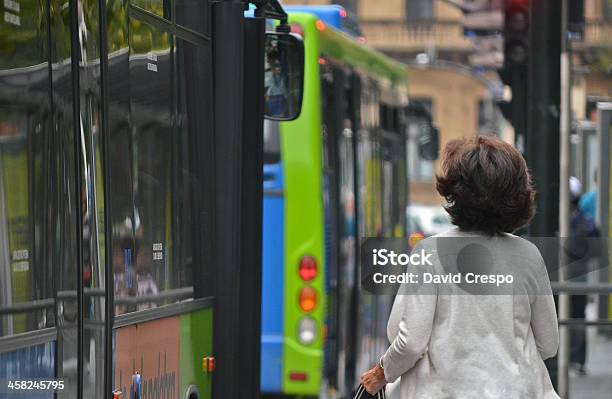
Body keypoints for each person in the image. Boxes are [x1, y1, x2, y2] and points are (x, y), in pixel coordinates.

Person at [360, 135, 560, 398]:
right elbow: (548, 344)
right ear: (517, 194)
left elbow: (410, 343)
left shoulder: (430, 253)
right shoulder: (528, 256)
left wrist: (380, 374)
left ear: (455, 191)